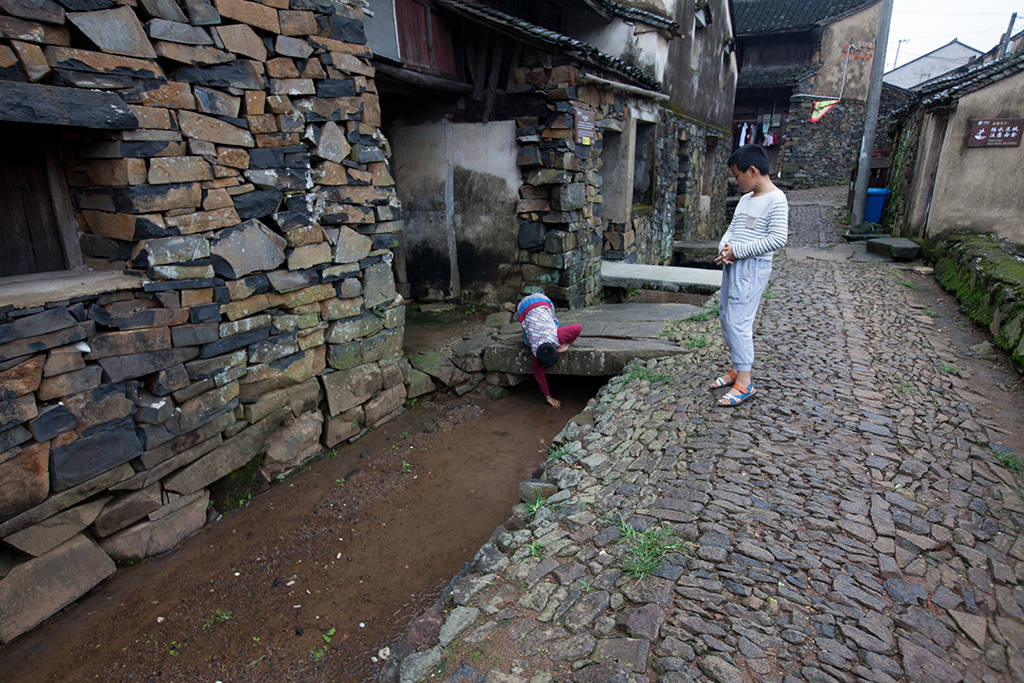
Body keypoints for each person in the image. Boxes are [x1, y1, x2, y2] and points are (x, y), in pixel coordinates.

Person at [711, 144, 788, 406]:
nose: (736, 181)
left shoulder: (776, 200)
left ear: (753, 171)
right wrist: (724, 248)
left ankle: (745, 381)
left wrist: (739, 251)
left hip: (752, 269)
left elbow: (778, 239)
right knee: (726, 317)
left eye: (737, 175)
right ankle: (737, 366)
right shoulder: (746, 199)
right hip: (733, 265)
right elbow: (732, 229)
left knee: (739, 322)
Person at [515, 293, 582, 408]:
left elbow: (578, 327)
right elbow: (539, 375)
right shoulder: (535, 349)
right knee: (527, 341)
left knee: (538, 330)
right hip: (525, 306)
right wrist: (548, 397)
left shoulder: (556, 336)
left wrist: (567, 344)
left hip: (543, 301)